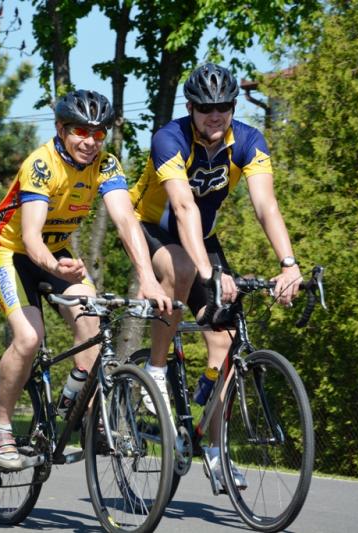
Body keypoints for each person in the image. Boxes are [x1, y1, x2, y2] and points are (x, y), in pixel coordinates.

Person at [129, 63, 302, 490]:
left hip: (202, 237)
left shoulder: (248, 141)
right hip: (152, 228)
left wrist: (288, 263)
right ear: (191, 108)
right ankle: (155, 369)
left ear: (233, 106)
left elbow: (266, 206)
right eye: (206, 108)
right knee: (184, 269)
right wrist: (210, 273)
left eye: (223, 106)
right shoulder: (169, 138)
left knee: (226, 345)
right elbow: (183, 207)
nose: (215, 115)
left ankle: (213, 445)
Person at [0, 89, 171, 470]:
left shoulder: (106, 165)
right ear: (61, 129)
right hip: (11, 251)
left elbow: (126, 221)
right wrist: (55, 268)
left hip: (57, 253)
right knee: (29, 337)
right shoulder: (41, 165)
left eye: (98, 134)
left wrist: (148, 277)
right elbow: (31, 237)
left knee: (93, 324)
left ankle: (76, 403)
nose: (90, 142)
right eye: (80, 132)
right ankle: (0, 427)